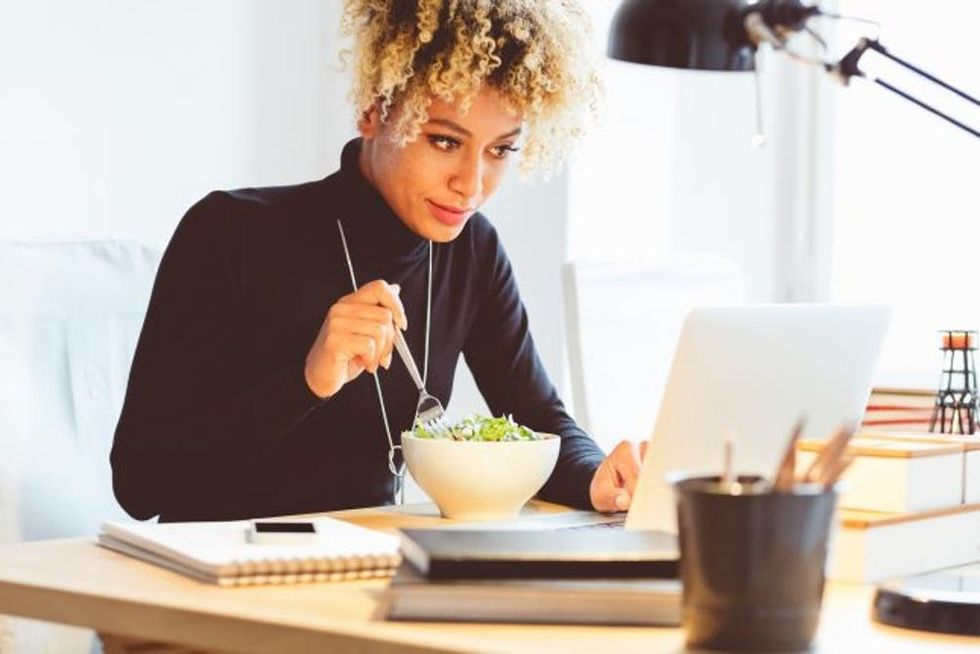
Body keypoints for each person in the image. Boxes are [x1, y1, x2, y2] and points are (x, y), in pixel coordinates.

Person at [111, 0, 647, 523]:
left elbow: (538, 417)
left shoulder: (472, 252)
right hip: (214, 582)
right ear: (374, 107)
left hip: (363, 576)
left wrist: (596, 477)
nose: (473, 184)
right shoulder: (230, 232)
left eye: (500, 150)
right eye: (444, 140)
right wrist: (306, 382)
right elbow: (141, 482)